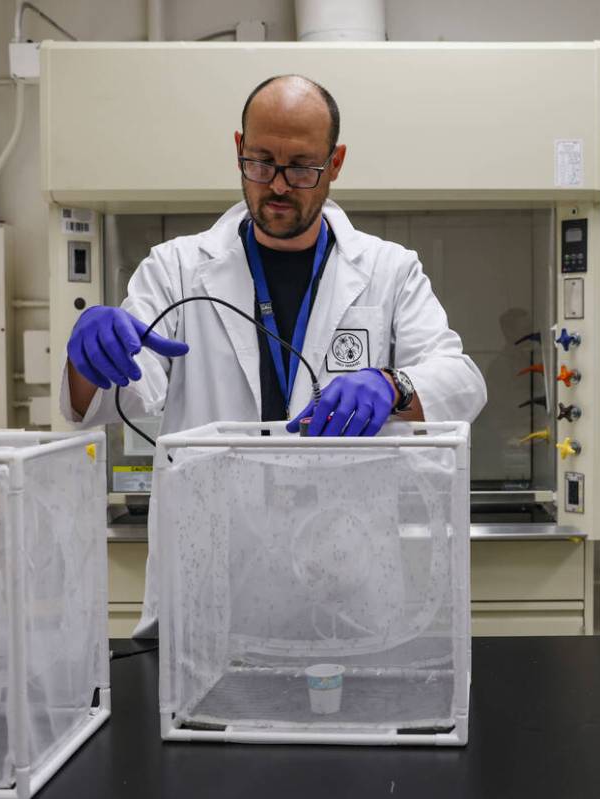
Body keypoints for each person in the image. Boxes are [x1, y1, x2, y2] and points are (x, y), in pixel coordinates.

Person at [58, 74, 486, 635]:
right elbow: (122, 396)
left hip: (346, 581)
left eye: (302, 167)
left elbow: (461, 379)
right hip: (215, 581)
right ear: (238, 149)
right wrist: (89, 357)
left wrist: (392, 385)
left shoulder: (388, 271)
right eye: (260, 162)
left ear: (335, 164)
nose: (278, 186)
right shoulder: (176, 269)